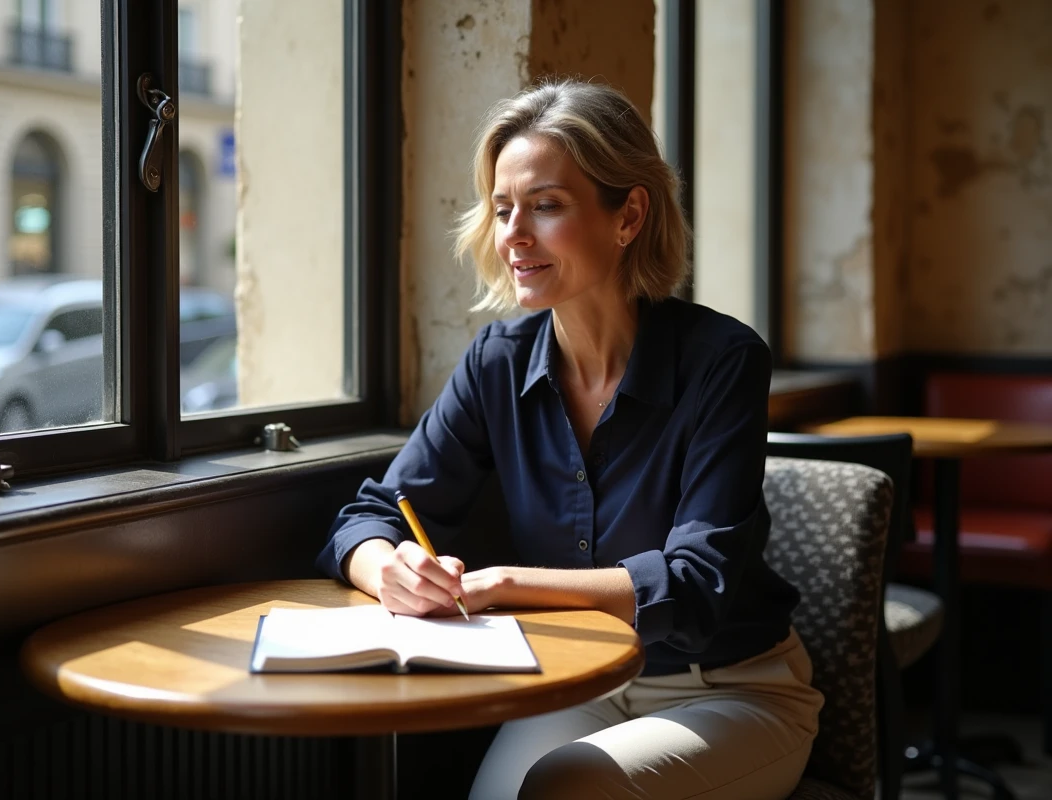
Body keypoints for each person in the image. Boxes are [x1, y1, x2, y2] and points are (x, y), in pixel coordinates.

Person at [315, 79, 823, 800]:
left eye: (546, 206)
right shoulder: (496, 363)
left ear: (629, 216)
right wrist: (386, 569)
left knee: (564, 787)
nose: (513, 235)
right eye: (502, 209)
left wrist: (503, 586)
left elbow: (693, 586)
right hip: (578, 681)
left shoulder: (723, 360)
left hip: (730, 690)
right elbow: (369, 516)